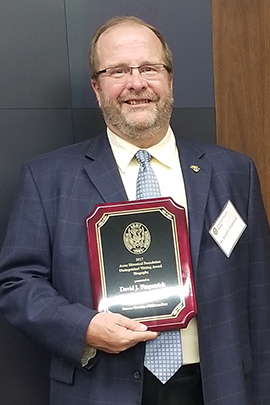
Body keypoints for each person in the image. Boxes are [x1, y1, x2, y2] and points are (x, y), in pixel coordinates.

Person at [0, 15, 270, 405]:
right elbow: (17, 283)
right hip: (100, 386)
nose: (137, 83)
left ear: (170, 79)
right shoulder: (48, 177)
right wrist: (84, 327)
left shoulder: (232, 171)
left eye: (149, 68)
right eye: (118, 71)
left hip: (219, 386)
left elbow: (260, 293)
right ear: (97, 87)